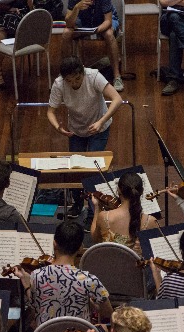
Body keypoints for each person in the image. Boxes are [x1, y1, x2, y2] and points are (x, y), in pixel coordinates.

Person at [47, 56, 123, 219]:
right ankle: (78, 203)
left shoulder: (94, 76)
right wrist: (58, 127)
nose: (74, 83)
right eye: (69, 80)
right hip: (76, 130)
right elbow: (50, 111)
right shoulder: (59, 84)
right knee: (75, 169)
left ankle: (93, 210)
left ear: (82, 72)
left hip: (100, 128)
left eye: (77, 78)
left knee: (93, 170)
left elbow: (117, 99)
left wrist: (101, 121)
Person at [13, 221, 112, 327]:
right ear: (80, 248)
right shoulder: (90, 280)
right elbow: (107, 313)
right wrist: (90, 303)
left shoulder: (36, 275)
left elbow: (35, 305)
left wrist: (26, 283)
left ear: (54, 243)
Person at [60, 1, 124, 92]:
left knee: (109, 34)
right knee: (66, 33)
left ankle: (117, 76)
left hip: (103, 21)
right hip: (83, 20)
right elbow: (69, 24)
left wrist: (96, 30)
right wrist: (76, 8)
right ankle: (66, 72)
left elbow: (108, 21)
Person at [90, 172, 157, 255]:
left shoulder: (104, 217)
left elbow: (95, 239)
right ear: (141, 191)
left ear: (119, 190)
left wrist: (97, 208)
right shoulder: (151, 221)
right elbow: (155, 252)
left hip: (108, 266)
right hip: (136, 267)